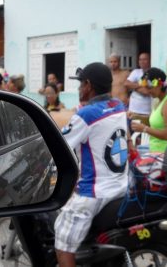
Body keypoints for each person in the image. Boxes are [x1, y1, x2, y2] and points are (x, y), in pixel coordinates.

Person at [54, 63, 129, 267]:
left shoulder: (86, 115)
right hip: (120, 187)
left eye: (80, 84)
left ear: (88, 85)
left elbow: (58, 146)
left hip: (94, 194)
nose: (78, 89)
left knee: (63, 244)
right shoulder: (118, 106)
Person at [131, 68, 167, 153]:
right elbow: (156, 122)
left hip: (164, 154)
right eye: (145, 88)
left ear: (159, 85)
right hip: (154, 151)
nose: (147, 91)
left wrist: (145, 129)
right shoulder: (157, 101)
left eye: (149, 88)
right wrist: (136, 116)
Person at [125, 53, 151, 125]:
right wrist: (141, 85)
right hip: (133, 110)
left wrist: (134, 87)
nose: (142, 61)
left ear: (149, 60)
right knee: (134, 133)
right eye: (140, 59)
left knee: (144, 133)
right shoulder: (136, 72)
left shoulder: (152, 73)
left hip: (146, 111)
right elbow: (126, 84)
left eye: (144, 59)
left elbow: (147, 92)